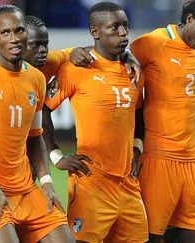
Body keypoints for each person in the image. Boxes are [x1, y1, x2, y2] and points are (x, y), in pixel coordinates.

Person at [0, 5, 75, 243]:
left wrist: (46, 183)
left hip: (26, 189)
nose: (14, 38)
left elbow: (35, 138)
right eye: (5, 32)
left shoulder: (36, 79)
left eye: (19, 30)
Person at [0, 14, 141, 177]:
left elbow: (97, 50)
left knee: (30, 179)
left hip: (25, 140)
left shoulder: (49, 61)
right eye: (36, 45)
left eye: (45, 44)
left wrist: (126, 53)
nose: (43, 51)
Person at [43, 2, 148, 242]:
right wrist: (57, 156)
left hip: (128, 184)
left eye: (125, 27)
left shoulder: (134, 71)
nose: (123, 34)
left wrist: (137, 148)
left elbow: (139, 112)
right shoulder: (76, 69)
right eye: (114, 27)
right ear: (95, 32)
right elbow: (43, 111)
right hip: (92, 183)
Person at [130, 0, 195, 242]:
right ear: (190, 19)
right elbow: (117, 60)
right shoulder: (153, 43)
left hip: (193, 163)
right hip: (160, 160)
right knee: (149, 237)